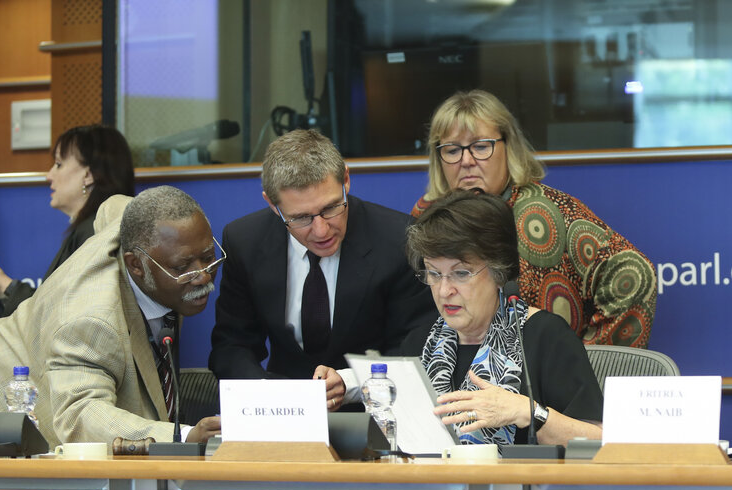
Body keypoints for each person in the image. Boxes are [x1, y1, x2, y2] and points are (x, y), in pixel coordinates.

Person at [0, 186, 222, 447]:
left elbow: (112, 206)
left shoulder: (139, 228)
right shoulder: (91, 319)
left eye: (209, 258)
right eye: (182, 267)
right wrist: (184, 437)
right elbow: (80, 414)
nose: (203, 276)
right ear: (136, 265)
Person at [209, 129, 437, 410]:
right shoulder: (245, 241)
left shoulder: (400, 239)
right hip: (279, 413)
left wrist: (350, 382)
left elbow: (416, 346)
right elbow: (232, 344)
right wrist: (267, 396)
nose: (321, 230)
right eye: (301, 218)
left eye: (330, 208)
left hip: (373, 413)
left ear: (346, 181)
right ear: (272, 204)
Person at [411, 90, 656, 348]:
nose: (467, 160)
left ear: (509, 147)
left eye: (481, 147)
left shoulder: (541, 213)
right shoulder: (427, 216)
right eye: (452, 150)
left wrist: (584, 366)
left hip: (538, 378)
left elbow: (636, 274)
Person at [403, 190, 602, 447]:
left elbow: (599, 441)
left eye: (461, 273)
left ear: (499, 272)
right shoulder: (418, 344)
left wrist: (528, 413)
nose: (444, 291)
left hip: (525, 485)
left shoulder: (545, 337)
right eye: (433, 273)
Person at [0, 124, 135, 321]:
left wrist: (0, 282)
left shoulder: (96, 234)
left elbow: (61, 320)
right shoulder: (96, 228)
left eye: (59, 164)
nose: (49, 175)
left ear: (88, 175)